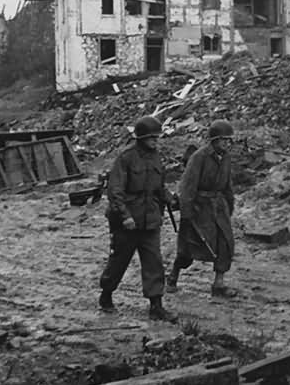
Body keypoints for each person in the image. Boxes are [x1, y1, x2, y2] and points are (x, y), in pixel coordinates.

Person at [98, 115, 178, 322]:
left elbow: (159, 187)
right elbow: (115, 191)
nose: (155, 140)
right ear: (141, 137)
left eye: (157, 137)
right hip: (127, 222)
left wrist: (171, 200)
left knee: (154, 262)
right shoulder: (126, 158)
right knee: (119, 261)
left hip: (150, 219)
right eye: (152, 137)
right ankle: (106, 295)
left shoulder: (156, 157)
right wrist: (125, 216)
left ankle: (156, 305)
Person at [167, 120, 238, 297]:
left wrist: (229, 204)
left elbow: (227, 184)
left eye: (228, 140)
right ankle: (173, 275)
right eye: (223, 140)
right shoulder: (199, 157)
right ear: (214, 140)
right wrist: (187, 212)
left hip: (218, 205)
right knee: (189, 245)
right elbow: (187, 186)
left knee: (225, 243)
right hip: (200, 207)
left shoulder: (227, 158)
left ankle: (218, 284)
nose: (226, 143)